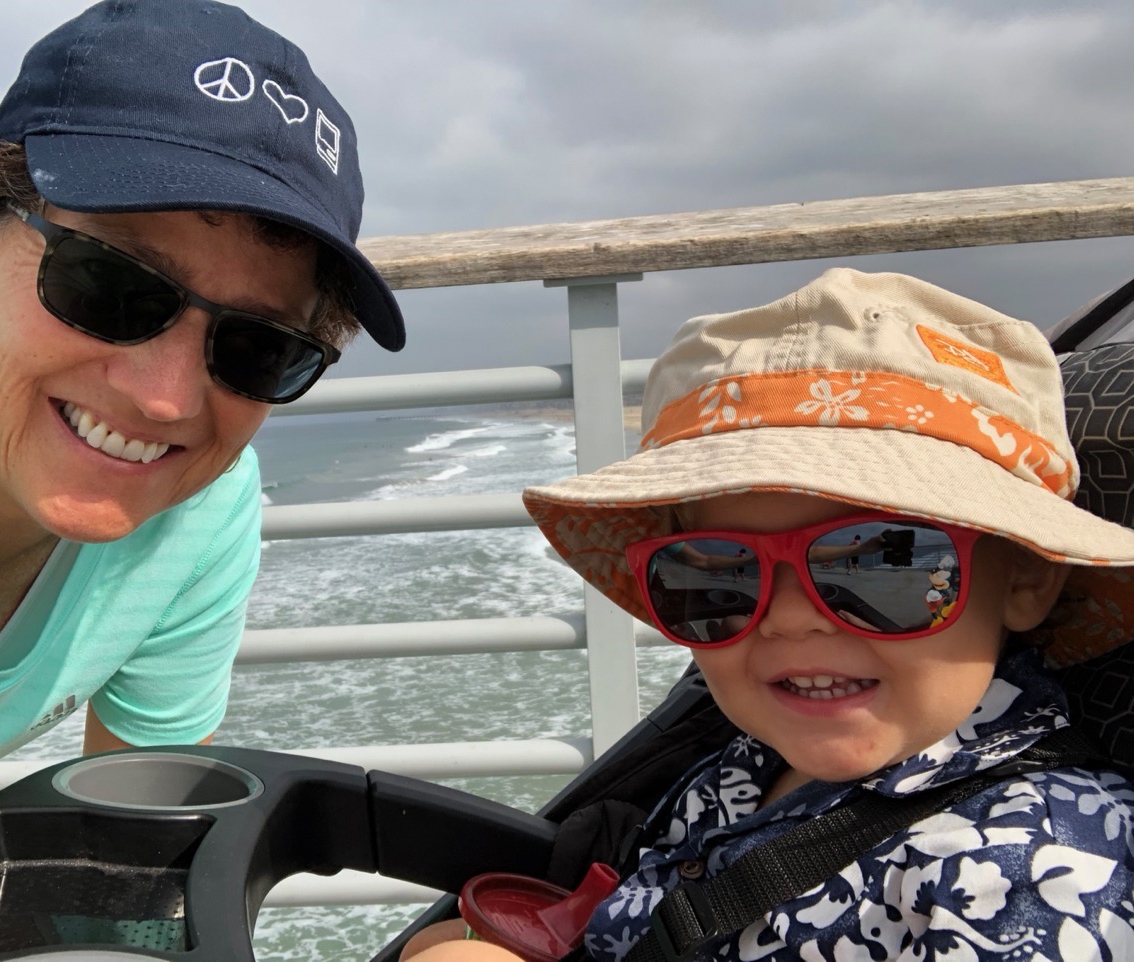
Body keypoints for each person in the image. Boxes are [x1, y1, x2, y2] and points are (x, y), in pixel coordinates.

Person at [0, 0, 403, 900]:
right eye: (106, 282)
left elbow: (130, 855)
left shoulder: (200, 510)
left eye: (258, 348)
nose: (167, 398)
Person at [421, 269, 1134, 959]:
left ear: (1027, 579)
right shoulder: (758, 751)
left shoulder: (1030, 874)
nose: (789, 621)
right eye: (717, 573)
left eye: (880, 562)